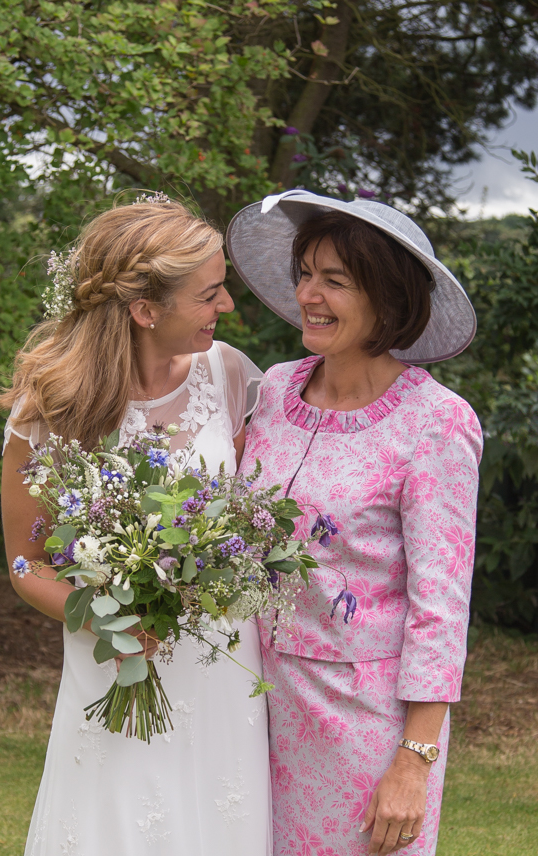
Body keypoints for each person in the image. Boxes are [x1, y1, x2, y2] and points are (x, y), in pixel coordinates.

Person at [0, 196, 270, 856]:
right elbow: (25, 563)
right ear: (146, 311)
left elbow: (251, 514)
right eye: (209, 295)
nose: (226, 307)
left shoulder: (229, 375)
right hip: (114, 667)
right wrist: (107, 622)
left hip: (221, 668)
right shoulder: (50, 408)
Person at [227, 190, 482, 856]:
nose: (309, 293)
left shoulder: (436, 423)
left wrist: (414, 758)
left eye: (334, 281)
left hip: (365, 723)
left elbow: (441, 608)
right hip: (252, 701)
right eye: (306, 273)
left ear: (388, 300)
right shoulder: (276, 390)